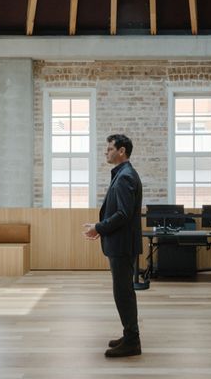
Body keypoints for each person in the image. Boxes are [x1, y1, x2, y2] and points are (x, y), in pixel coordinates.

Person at [83, 133, 143, 358]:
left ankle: (132, 341)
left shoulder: (126, 176)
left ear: (121, 151)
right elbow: (120, 214)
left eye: (109, 149)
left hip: (122, 246)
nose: (105, 152)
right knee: (123, 291)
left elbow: (123, 214)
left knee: (123, 293)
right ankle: (129, 336)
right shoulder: (123, 174)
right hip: (120, 243)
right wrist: (102, 228)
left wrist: (99, 227)